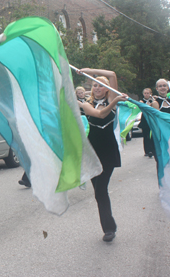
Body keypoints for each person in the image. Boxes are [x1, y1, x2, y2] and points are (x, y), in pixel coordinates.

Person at [76, 68, 129, 243]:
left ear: (107, 89)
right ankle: (110, 226)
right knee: (99, 193)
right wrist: (117, 102)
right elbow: (99, 114)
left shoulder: (111, 98)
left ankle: (109, 229)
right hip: (91, 153)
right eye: (93, 85)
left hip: (108, 152)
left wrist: (88, 70)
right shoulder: (86, 104)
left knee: (100, 190)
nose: (96, 88)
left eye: (100, 85)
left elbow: (113, 74)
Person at [138, 88, 155, 158]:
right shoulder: (142, 101)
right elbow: (143, 107)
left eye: (148, 93)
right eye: (145, 93)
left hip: (151, 118)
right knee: (146, 135)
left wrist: (153, 100)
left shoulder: (153, 100)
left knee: (152, 135)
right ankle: (147, 151)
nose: (146, 94)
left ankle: (152, 149)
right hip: (145, 119)